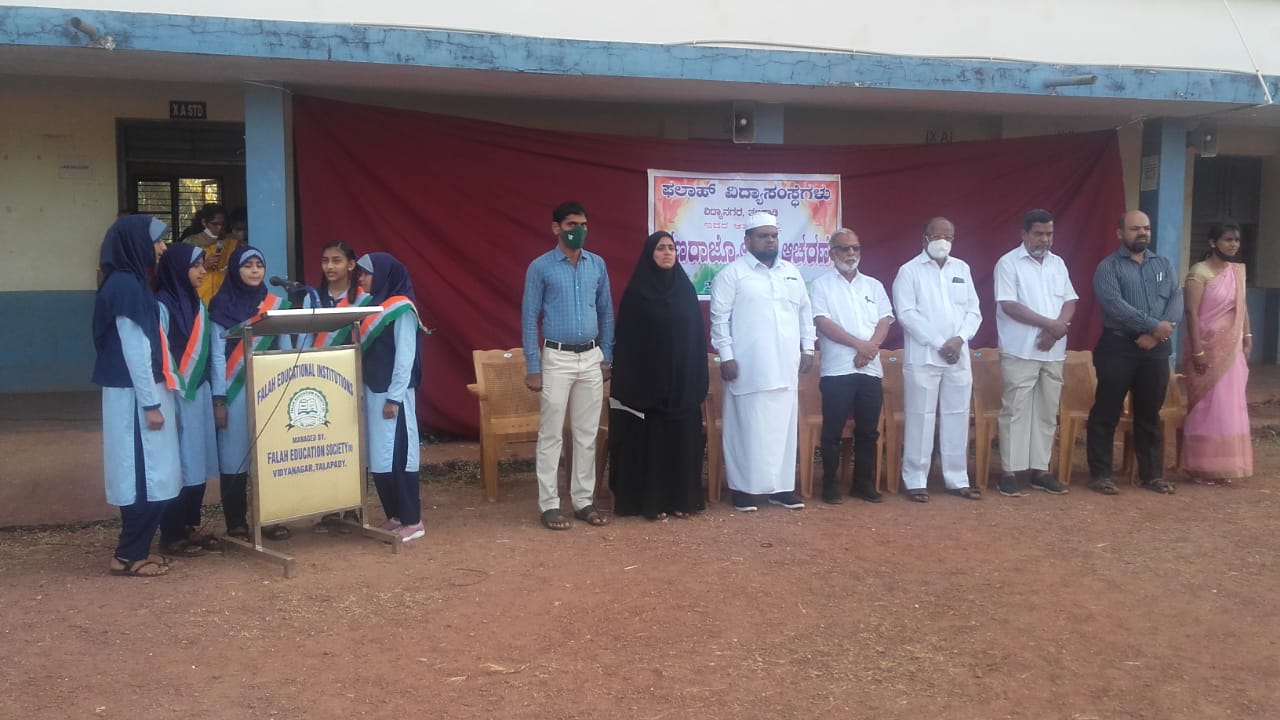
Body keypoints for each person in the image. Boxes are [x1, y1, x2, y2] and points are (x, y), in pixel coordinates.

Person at [92, 215, 182, 576]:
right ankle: (129, 555)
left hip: (135, 393)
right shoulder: (127, 287)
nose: (162, 247)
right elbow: (136, 352)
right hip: (135, 396)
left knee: (144, 474)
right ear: (135, 243)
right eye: (157, 240)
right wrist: (150, 404)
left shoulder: (127, 282)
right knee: (144, 475)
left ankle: (135, 549)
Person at [710, 211, 815, 512]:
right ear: (747, 240)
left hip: (786, 366)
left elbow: (805, 312)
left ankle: (781, 489)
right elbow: (719, 319)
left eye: (773, 235)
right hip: (748, 367)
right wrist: (726, 356)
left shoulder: (791, 272)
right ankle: (743, 489)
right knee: (746, 429)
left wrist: (808, 348)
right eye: (763, 236)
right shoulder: (732, 274)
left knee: (783, 431)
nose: (770, 241)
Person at [521, 201, 615, 531]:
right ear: (556, 228)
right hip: (557, 357)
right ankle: (549, 504)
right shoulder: (540, 267)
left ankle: (583, 501)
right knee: (551, 434)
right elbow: (530, 318)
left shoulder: (597, 264)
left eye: (583, 225)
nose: (579, 231)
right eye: (572, 225)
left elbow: (606, 312)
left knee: (587, 434)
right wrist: (534, 366)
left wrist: (606, 356)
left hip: (590, 357)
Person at [607, 231, 709, 520]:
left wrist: (693, 378)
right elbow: (627, 341)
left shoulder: (685, 290)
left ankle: (681, 500)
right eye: (661, 248)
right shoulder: (637, 293)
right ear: (649, 254)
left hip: (682, 387)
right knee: (652, 442)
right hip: (648, 389)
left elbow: (696, 338)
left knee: (682, 440)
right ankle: (651, 502)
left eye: (671, 248)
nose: (667, 253)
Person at [1085, 210, 1184, 495]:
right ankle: (1101, 474)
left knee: (1149, 414)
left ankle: (1151, 475)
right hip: (1117, 348)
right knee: (1106, 412)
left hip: (1155, 350)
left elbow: (1176, 298)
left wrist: (1157, 334)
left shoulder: (1163, 264)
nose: (1142, 233)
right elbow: (1114, 305)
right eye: (1135, 228)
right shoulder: (1108, 267)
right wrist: (1153, 326)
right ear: (1120, 233)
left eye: (1146, 228)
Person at [892, 217, 983, 502]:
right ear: (924, 239)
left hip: (958, 356)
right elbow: (906, 314)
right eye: (937, 236)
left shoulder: (962, 268)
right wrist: (938, 343)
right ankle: (915, 479)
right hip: (925, 357)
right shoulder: (909, 271)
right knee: (920, 417)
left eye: (949, 236)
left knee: (957, 416)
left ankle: (957, 478)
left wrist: (959, 339)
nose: (944, 241)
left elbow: (974, 311)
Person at [208, 245, 294, 540]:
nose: (255, 270)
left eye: (259, 264)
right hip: (233, 392)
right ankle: (236, 523)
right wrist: (219, 399)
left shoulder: (276, 304)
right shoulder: (221, 305)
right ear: (235, 270)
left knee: (270, 454)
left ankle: (270, 518)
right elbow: (217, 356)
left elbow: (285, 350)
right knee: (233, 459)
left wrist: (287, 389)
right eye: (248, 265)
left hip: (270, 389)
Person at [993, 209, 1078, 497]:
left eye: (1049, 234)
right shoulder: (1008, 263)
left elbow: (1070, 300)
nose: (1045, 239)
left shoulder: (1058, 263)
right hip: (1021, 349)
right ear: (1024, 234)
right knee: (1015, 410)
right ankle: (1009, 472)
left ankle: (1040, 470)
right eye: (1039, 234)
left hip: (1053, 350)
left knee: (1047, 411)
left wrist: (1058, 328)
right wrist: (1050, 325)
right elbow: (1009, 305)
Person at [809, 228, 893, 504]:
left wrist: (870, 349)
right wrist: (860, 346)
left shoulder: (873, 285)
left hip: (870, 369)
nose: (851, 253)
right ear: (832, 253)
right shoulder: (821, 285)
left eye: (855, 248)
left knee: (868, 431)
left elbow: (884, 321)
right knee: (833, 431)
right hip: (837, 370)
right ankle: (830, 486)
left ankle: (862, 484)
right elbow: (823, 323)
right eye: (844, 248)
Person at [154, 243, 224, 557]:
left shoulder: (198, 304)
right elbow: (161, 351)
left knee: (196, 460)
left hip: (199, 392)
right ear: (177, 268)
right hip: (174, 392)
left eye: (202, 265)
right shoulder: (161, 304)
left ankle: (188, 525)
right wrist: (178, 386)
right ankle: (170, 534)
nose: (201, 271)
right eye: (195, 266)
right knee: (178, 464)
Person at [356, 252, 429, 542]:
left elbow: (405, 357)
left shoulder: (402, 309)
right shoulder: (371, 306)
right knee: (380, 458)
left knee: (400, 455)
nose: (361, 278)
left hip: (393, 396)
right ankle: (395, 515)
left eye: (366, 273)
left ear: (384, 275)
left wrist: (395, 398)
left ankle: (412, 520)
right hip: (374, 391)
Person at [1182, 222, 1253, 484]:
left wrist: (1247, 336)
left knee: (1229, 406)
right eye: (1228, 239)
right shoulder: (1199, 272)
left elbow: (1242, 307)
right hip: (1206, 349)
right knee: (1207, 406)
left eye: (1236, 240)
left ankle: (1225, 465)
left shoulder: (1236, 273)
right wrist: (1198, 351)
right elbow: (1191, 312)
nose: (1233, 244)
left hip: (1231, 350)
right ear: (1213, 243)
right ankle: (1201, 466)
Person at [312, 240, 371, 533]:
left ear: (351, 265)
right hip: (320, 382)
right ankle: (329, 509)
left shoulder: (364, 299)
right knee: (326, 445)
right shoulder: (312, 298)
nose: (329, 266)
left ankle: (354, 508)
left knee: (354, 444)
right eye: (325, 260)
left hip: (353, 380)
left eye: (336, 260)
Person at [181, 203, 235, 304]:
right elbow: (181, 272)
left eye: (222, 224)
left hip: (222, 295)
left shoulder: (229, 242)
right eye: (215, 224)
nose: (219, 228)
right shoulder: (190, 242)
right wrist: (204, 266)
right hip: (199, 295)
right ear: (204, 223)